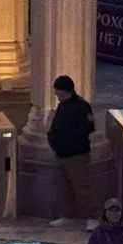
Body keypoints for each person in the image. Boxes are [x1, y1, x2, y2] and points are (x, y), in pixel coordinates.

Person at [47, 75, 97, 229]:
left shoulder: (82, 106)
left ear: (66, 91)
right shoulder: (62, 105)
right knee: (63, 187)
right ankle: (67, 215)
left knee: (82, 187)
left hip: (76, 155)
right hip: (60, 154)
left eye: (58, 94)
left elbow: (88, 128)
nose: (57, 97)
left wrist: (68, 142)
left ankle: (91, 217)